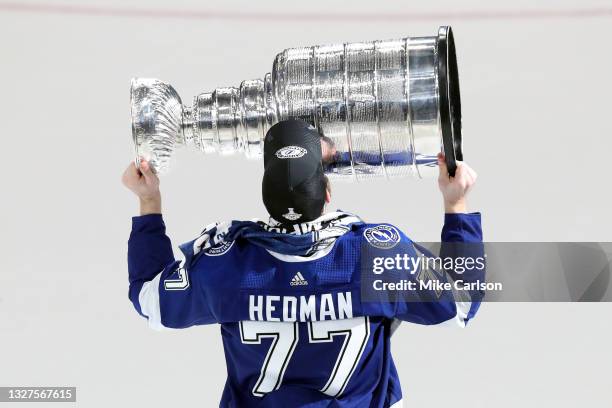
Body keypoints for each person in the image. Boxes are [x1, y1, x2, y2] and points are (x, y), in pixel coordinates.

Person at [122, 119, 483, 407]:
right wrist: (456, 206)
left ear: (265, 197)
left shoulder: (227, 264)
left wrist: (149, 201)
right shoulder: (377, 256)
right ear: (328, 193)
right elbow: (461, 303)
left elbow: (150, 298)